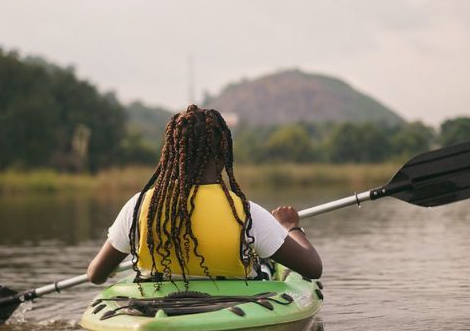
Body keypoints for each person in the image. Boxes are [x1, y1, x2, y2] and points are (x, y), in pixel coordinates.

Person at [87, 105, 322, 285]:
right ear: (224, 153)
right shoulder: (246, 214)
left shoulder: (138, 207)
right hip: (234, 307)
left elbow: (96, 275)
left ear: (170, 154)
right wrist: (290, 226)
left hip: (154, 305)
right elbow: (313, 268)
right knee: (264, 263)